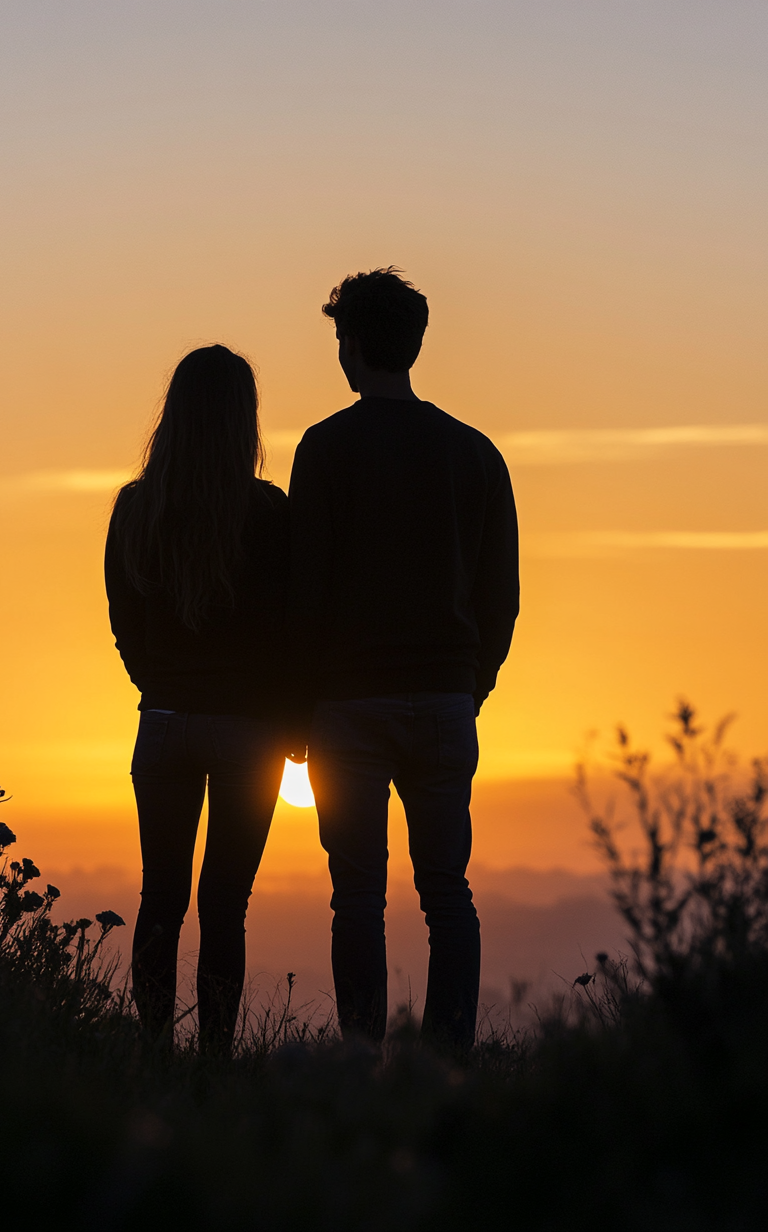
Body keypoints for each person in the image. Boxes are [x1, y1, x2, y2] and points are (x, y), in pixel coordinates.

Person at [288, 269, 519, 1053]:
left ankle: (362, 1058)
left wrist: (300, 706)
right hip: (447, 701)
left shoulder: (324, 449)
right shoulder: (476, 454)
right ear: (415, 344)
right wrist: (471, 685)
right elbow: (502, 597)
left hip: (348, 705)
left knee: (356, 899)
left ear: (350, 346)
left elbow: (303, 594)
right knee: (447, 892)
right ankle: (448, 1059)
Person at [105, 344, 288, 1053]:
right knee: (225, 908)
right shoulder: (270, 513)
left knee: (162, 898)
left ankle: (153, 1055)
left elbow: (125, 622)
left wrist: (159, 686)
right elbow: (289, 631)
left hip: (166, 724)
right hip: (249, 731)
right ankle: (215, 1061)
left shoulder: (136, 509)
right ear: (246, 421)